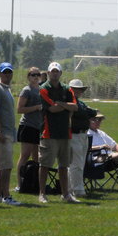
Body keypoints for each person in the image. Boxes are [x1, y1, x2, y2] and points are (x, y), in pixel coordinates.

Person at [38, 62, 79, 204]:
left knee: (64, 165)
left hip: (65, 132)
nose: (54, 73)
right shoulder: (43, 89)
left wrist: (60, 103)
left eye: (57, 71)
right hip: (49, 132)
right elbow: (51, 109)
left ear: (61, 73)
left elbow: (75, 107)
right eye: (52, 71)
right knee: (45, 165)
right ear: (48, 73)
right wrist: (66, 106)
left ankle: (65, 194)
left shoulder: (67, 89)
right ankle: (42, 193)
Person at [0, 62, 20, 205]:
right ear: (0, 74)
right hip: (2, 133)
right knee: (5, 167)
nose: (7, 75)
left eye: (9, 72)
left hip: (8, 131)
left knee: (4, 166)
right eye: (5, 72)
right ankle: (6, 196)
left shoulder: (6, 89)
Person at [15, 67, 43, 193]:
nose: (36, 77)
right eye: (33, 74)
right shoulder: (26, 90)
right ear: (28, 77)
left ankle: (34, 183)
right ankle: (20, 184)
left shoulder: (42, 90)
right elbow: (19, 109)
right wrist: (36, 107)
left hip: (38, 127)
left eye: (38, 74)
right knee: (25, 155)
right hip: (27, 126)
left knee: (37, 157)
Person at [68, 78, 97, 197]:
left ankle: (71, 188)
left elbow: (93, 112)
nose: (78, 91)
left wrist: (88, 111)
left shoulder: (80, 102)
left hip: (83, 134)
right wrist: (88, 111)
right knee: (76, 164)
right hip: (74, 134)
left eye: (80, 89)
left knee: (79, 164)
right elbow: (84, 112)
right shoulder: (71, 102)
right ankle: (78, 190)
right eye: (75, 89)